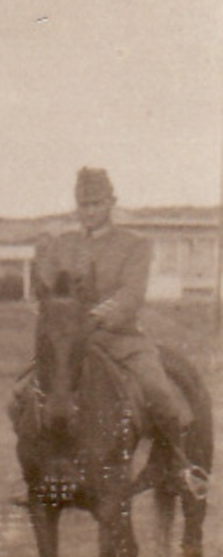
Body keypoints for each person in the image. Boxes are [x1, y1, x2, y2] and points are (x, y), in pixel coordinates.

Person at [15, 166, 209, 498]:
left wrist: (95, 318)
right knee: (18, 397)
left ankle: (179, 467)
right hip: (70, 345)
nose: (89, 211)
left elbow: (131, 295)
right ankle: (39, 473)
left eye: (96, 204)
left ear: (111, 204)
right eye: (83, 204)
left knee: (160, 394)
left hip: (120, 339)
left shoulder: (134, 244)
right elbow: (48, 289)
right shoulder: (62, 245)